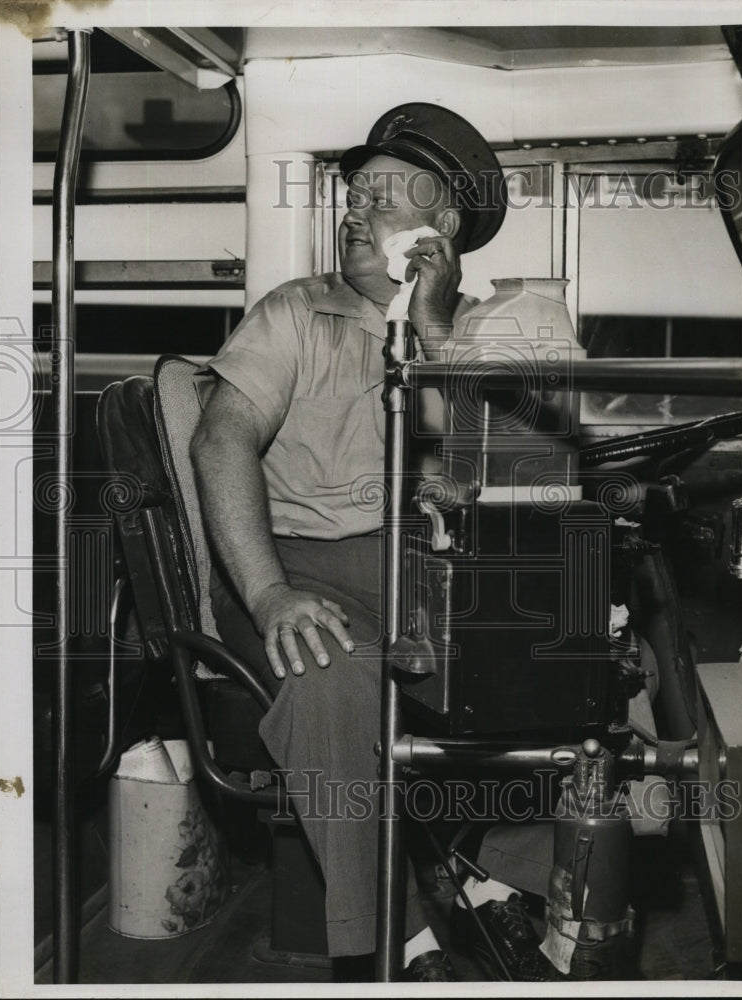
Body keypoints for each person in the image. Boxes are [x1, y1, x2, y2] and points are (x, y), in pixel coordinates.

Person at [191, 103, 556, 982]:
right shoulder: (293, 314)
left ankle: (493, 882)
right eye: (354, 195)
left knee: (575, 650)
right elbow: (220, 438)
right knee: (334, 667)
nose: (358, 212)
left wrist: (432, 332)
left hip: (423, 566)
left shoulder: (493, 330)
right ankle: (394, 945)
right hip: (293, 560)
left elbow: (521, 475)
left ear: (443, 229)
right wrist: (270, 592)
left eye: (387, 199)